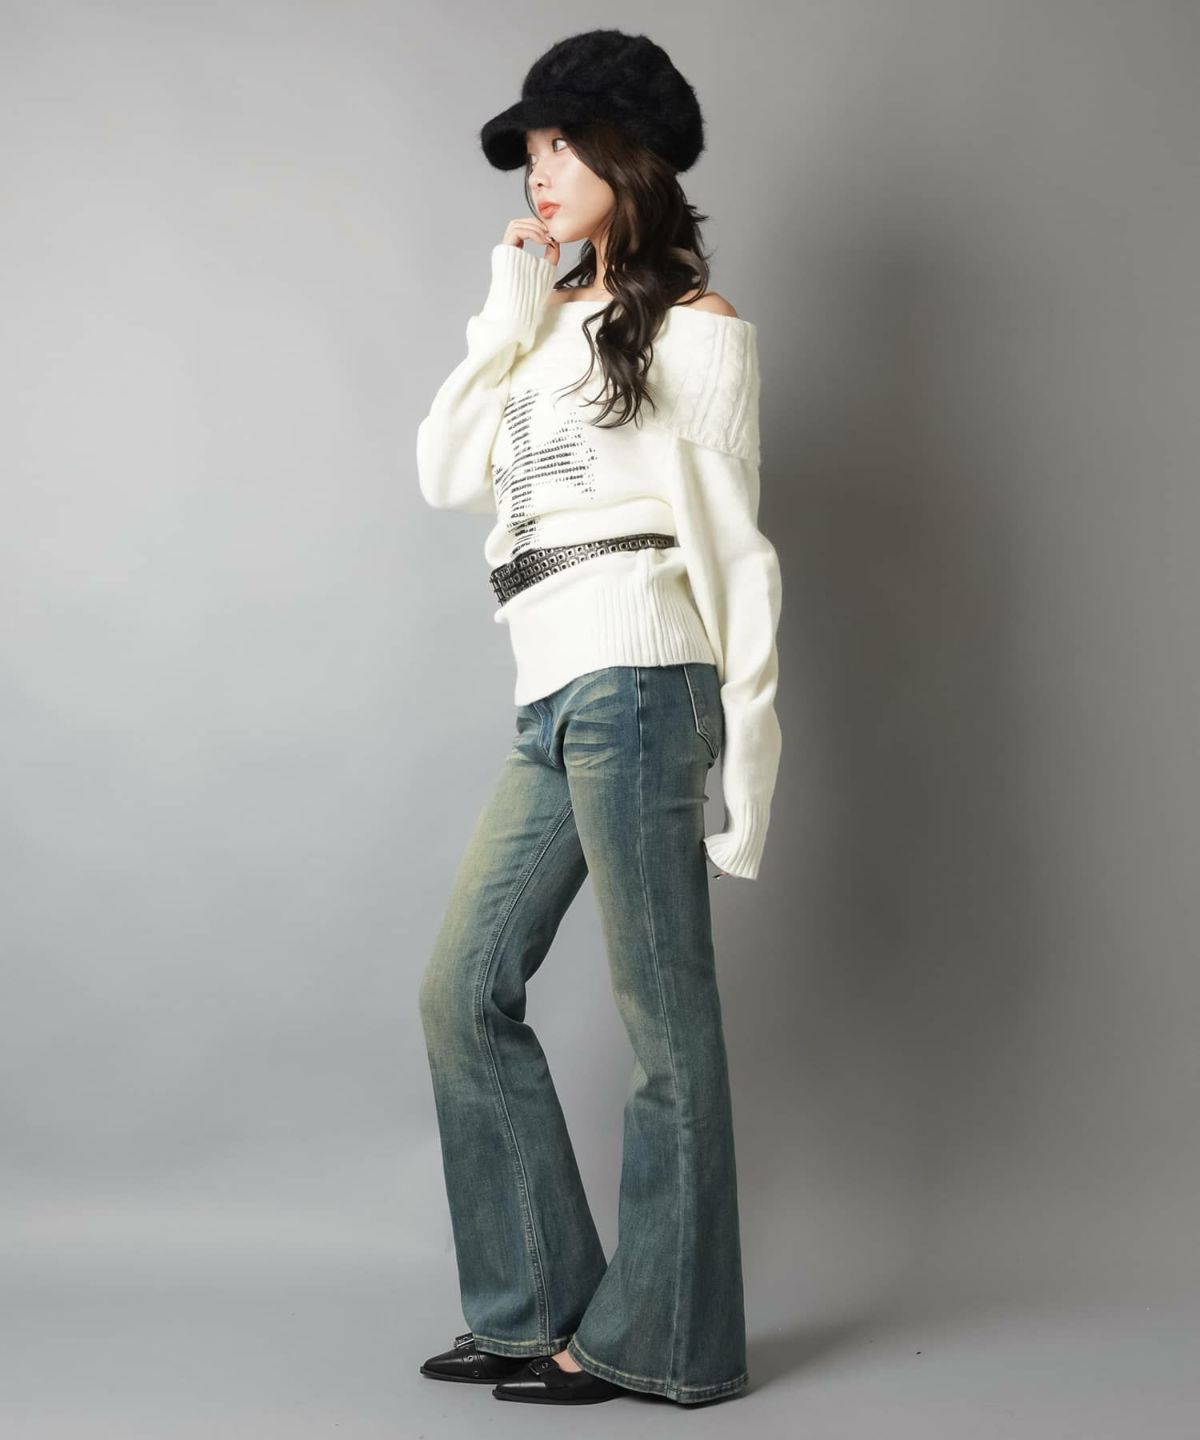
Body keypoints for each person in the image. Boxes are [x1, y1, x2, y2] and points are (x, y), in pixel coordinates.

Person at [413, 28, 782, 1407]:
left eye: (565, 145)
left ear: (633, 158)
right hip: (552, 688)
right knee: (462, 992)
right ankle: (530, 1309)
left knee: (664, 1023)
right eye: (533, 152)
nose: (541, 173)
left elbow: (738, 555)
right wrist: (507, 306)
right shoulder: (546, 324)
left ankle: (667, 1339)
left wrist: (751, 755)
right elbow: (446, 470)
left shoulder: (698, 328)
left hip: (641, 679)